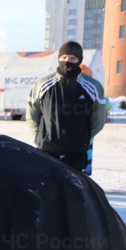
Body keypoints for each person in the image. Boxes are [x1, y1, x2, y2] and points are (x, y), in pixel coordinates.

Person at [27, 41, 106, 173]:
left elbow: (98, 121)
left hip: (77, 152)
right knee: (47, 191)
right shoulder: (42, 85)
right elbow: (32, 115)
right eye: (63, 57)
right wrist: (42, 137)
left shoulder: (93, 87)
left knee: (73, 192)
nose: (67, 61)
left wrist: (83, 137)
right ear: (59, 58)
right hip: (47, 151)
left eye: (72, 58)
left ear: (79, 60)